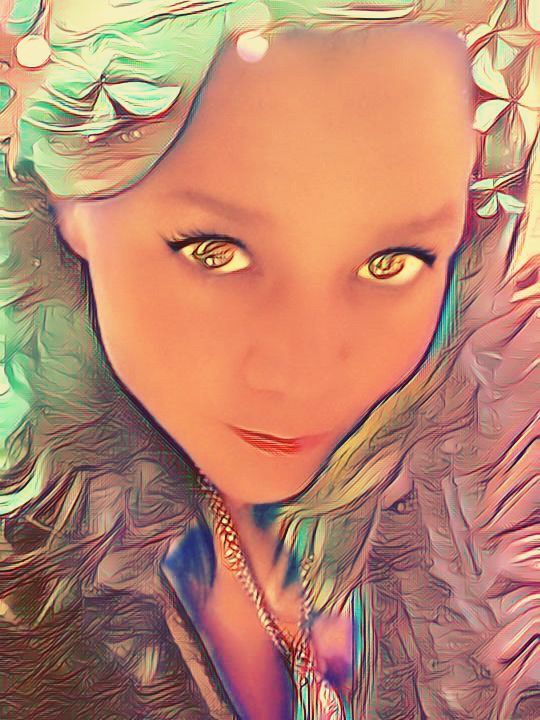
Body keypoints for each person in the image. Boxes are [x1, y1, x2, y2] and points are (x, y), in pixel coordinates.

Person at [0, 1, 538, 719]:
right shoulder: (26, 611)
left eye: (392, 262)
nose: (302, 374)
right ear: (70, 204)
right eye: (215, 252)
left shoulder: (505, 544)